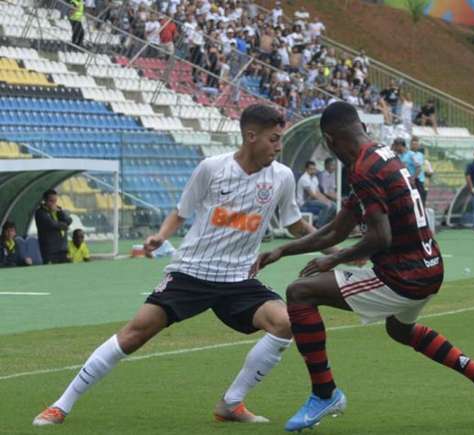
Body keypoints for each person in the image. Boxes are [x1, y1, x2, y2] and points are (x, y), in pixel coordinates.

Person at [33, 105, 330, 426]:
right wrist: (160, 237)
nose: (278, 146)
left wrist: (334, 247)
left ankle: (231, 403)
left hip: (239, 279)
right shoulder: (212, 168)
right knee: (134, 335)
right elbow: (182, 210)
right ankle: (61, 405)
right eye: (273, 139)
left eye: (280, 139)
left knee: (285, 323)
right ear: (251, 136)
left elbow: (296, 224)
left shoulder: (282, 177)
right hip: (192, 273)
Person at [257, 102, 474, 432]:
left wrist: (335, 259)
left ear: (331, 139)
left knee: (299, 293)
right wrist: (283, 250)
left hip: (403, 277)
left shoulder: (362, 170)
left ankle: (324, 394)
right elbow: (338, 229)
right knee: (400, 330)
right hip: (430, 267)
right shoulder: (382, 157)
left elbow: (380, 237)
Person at [35, 189, 72, 265]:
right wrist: (64, 226)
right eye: (51, 201)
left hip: (62, 248)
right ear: (45, 200)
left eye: (55, 201)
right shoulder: (40, 212)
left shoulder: (58, 210)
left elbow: (69, 220)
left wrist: (60, 212)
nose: (53, 204)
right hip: (50, 250)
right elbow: (51, 224)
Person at [297, 160, 336, 227]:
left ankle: (327, 226)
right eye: (311, 169)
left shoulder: (314, 178)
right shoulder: (304, 179)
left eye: (314, 169)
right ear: (306, 169)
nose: (313, 170)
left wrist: (327, 200)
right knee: (326, 206)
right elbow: (312, 195)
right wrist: (325, 202)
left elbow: (318, 192)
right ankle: (318, 227)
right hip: (304, 203)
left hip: (313, 201)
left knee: (334, 206)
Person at [409, 136, 428, 206]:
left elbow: (422, 168)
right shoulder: (409, 154)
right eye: (414, 144)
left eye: (417, 144)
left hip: (421, 180)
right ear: (411, 144)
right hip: (413, 180)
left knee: (421, 199)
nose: (415, 145)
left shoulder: (421, 155)